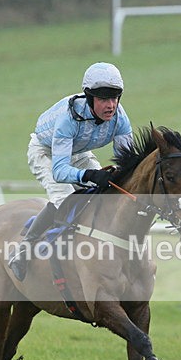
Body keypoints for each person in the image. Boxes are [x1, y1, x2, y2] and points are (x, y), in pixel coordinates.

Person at [8, 62, 134, 281]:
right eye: (103, 99)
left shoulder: (120, 118)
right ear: (90, 98)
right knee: (65, 197)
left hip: (78, 152)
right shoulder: (69, 117)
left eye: (115, 98)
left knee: (105, 193)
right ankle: (23, 249)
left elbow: (127, 162)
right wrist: (90, 175)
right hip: (46, 152)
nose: (111, 105)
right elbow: (59, 171)